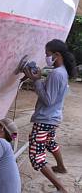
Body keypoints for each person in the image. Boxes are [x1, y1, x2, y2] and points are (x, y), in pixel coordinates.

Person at [23, 39, 76, 193]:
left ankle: (61, 188)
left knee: (35, 156)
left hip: (45, 119)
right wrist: (40, 79)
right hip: (53, 118)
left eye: (47, 54)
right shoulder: (61, 71)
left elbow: (48, 100)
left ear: (56, 54)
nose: (46, 57)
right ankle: (61, 167)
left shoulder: (56, 74)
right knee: (49, 141)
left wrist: (36, 80)